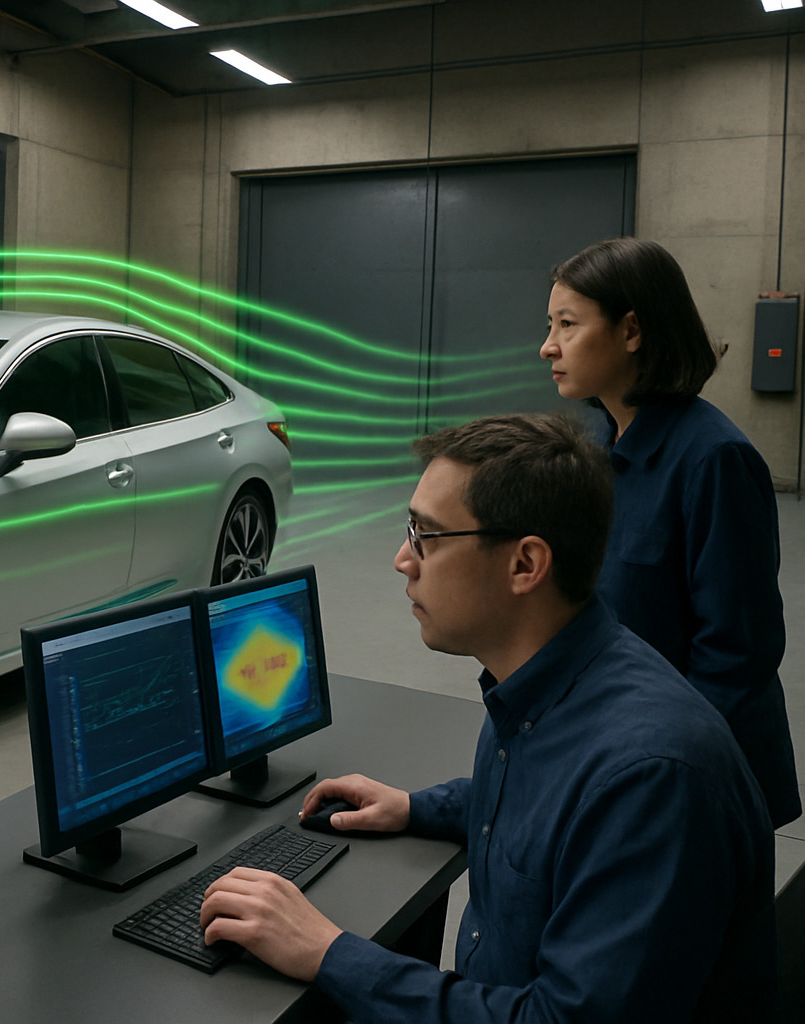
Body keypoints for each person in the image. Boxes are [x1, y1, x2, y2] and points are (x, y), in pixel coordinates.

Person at [199, 414, 776, 1023]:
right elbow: (551, 802)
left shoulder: (651, 780)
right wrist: (417, 807)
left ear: (526, 565)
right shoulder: (549, 684)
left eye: (427, 535)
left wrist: (327, 951)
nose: (402, 559)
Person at [540, 237, 799, 827]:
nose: (547, 345)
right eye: (550, 323)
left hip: (690, 777)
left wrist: (661, 773)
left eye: (567, 324)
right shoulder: (601, 447)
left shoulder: (714, 460)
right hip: (618, 750)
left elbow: (736, 657)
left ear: (632, 331)